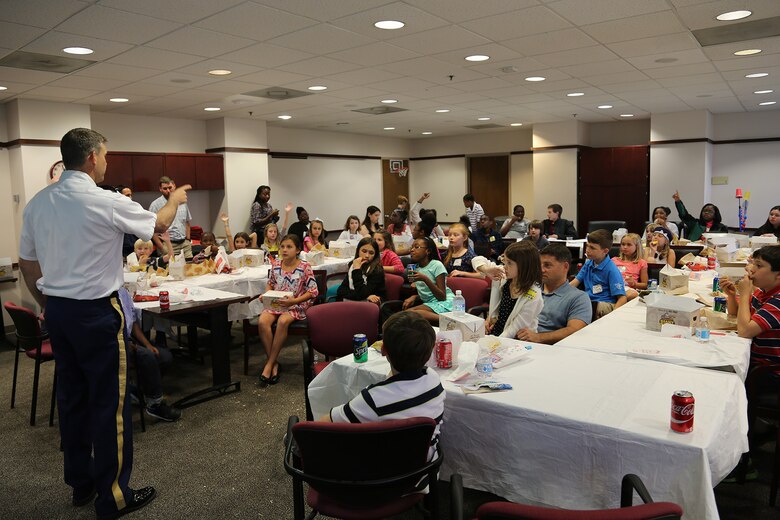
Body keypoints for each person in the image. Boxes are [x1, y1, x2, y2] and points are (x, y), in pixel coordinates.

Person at [18, 128, 189, 518]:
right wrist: (173, 200)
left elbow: (28, 263)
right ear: (92, 157)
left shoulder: (38, 203)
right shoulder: (103, 200)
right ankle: (113, 494)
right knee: (108, 403)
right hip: (95, 313)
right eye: (106, 154)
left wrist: (47, 302)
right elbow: (158, 225)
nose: (107, 161)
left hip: (58, 312)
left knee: (72, 397)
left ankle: (80, 483)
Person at [320, 311, 444, 476]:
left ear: (383, 349)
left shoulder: (372, 400)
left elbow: (322, 426)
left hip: (380, 480)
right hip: (422, 472)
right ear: (430, 351)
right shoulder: (434, 380)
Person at [257, 234, 318, 386]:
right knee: (262, 321)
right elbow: (270, 283)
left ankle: (269, 364)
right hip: (276, 302)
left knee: (283, 321)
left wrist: (294, 301)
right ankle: (274, 362)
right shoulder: (276, 264)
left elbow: (313, 291)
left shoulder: (305, 266)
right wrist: (266, 294)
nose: (284, 250)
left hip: (296, 303)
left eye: (289, 247)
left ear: (298, 250)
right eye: (282, 246)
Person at [116, 288, 180, 422]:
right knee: (147, 357)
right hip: (116, 343)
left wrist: (147, 344)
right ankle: (154, 404)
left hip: (129, 339)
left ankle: (141, 390)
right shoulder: (105, 296)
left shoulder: (124, 293)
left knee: (164, 356)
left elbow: (133, 324)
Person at [511, 244, 592, 344]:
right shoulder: (530, 289)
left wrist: (538, 337)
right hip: (514, 341)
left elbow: (575, 330)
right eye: (539, 265)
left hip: (546, 349)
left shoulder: (579, 298)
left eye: (547, 265)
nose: (541, 270)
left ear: (565, 266)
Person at [720, 245, 780, 368]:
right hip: (751, 357)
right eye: (753, 264)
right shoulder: (762, 291)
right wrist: (732, 296)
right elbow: (737, 314)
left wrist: (744, 294)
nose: (752, 269)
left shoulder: (778, 300)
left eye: (759, 266)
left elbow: (744, 331)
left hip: (768, 369)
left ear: (778, 275)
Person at [471, 242, 544, 338]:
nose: (504, 267)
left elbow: (514, 329)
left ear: (524, 265)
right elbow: (476, 259)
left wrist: (493, 343)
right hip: (496, 332)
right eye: (504, 261)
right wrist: (486, 270)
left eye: (509, 263)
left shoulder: (533, 294)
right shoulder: (504, 275)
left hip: (517, 340)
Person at [570, 229, 627, 318]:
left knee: (588, 307)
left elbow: (622, 298)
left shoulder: (612, 270)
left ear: (605, 251)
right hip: (588, 301)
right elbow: (574, 283)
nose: (587, 250)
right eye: (587, 246)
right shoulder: (588, 263)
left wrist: (614, 317)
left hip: (605, 304)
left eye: (592, 248)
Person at [403, 238, 454, 324]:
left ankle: (452, 321)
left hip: (445, 302)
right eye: (411, 247)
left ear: (428, 251)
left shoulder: (436, 265)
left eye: (417, 247)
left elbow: (442, 296)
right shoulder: (414, 267)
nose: (412, 250)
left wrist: (425, 279)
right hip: (429, 303)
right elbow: (426, 294)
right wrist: (415, 296)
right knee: (406, 314)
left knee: (409, 314)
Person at [149, 176, 192, 259]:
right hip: (168, 244)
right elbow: (152, 229)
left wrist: (188, 240)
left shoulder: (181, 202)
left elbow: (187, 222)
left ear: (174, 186)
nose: (168, 191)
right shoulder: (155, 205)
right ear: (160, 189)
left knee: (189, 268)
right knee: (170, 270)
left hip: (184, 244)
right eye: (165, 188)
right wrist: (162, 247)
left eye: (170, 187)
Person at [336, 237, 386, 304]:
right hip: (354, 301)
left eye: (371, 253)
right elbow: (341, 291)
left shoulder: (377, 270)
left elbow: (360, 293)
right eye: (364, 251)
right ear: (358, 251)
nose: (367, 255)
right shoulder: (352, 264)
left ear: (375, 255)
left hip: (371, 305)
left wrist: (357, 270)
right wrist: (365, 296)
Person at [612, 233, 648, 300]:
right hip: (613, 286)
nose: (625, 247)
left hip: (628, 289)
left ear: (637, 247)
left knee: (632, 294)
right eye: (623, 244)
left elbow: (645, 285)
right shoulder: (614, 260)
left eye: (629, 245)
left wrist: (634, 284)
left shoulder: (641, 263)